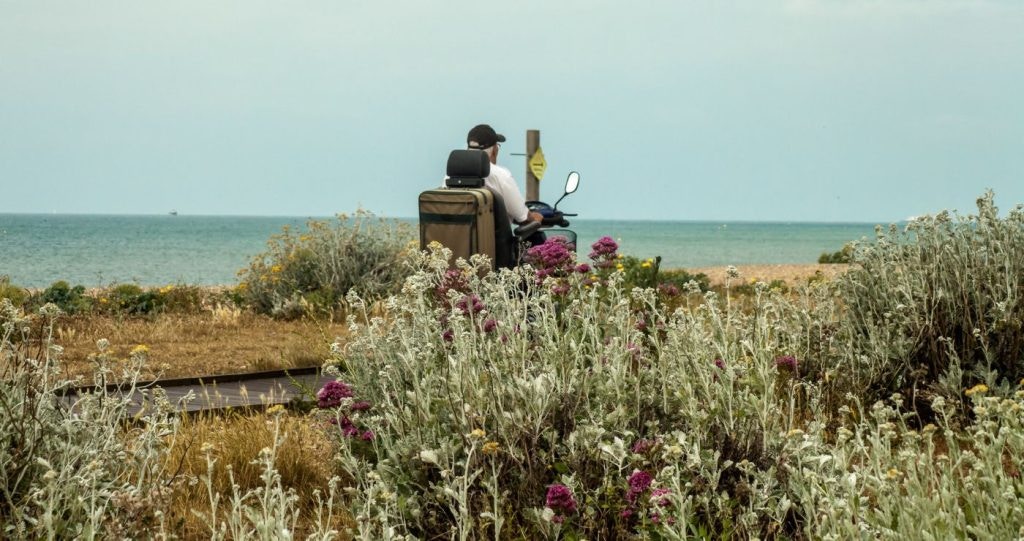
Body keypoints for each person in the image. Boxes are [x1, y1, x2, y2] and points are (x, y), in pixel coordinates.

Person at [466, 124, 544, 227]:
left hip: (456, 242)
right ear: (494, 150)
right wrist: (536, 217)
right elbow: (523, 217)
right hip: (492, 242)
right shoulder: (501, 176)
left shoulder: (449, 176)